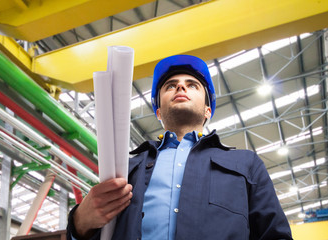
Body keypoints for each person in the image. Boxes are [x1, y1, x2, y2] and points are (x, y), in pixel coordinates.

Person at [67, 55, 292, 240]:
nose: (181, 87)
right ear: (158, 112)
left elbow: (274, 234)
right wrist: (80, 223)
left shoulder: (246, 164)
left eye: (192, 85)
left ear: (207, 111)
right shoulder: (126, 167)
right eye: (170, 86)